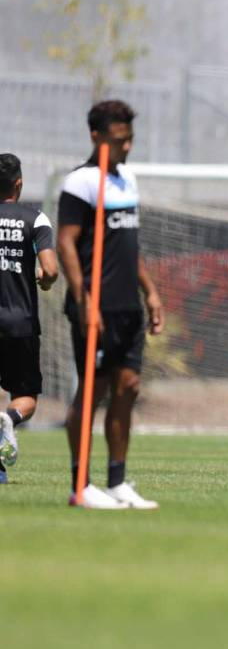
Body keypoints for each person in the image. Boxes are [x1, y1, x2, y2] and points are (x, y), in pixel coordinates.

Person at [58, 99, 163, 510]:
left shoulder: (127, 180)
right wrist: (84, 299)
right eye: (120, 140)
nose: (127, 147)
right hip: (94, 307)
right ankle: (80, 485)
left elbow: (127, 245)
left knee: (128, 387)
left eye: (131, 139)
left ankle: (117, 482)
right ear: (96, 136)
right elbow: (66, 241)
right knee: (92, 391)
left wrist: (150, 291)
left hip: (127, 307)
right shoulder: (81, 182)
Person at [0, 154, 59, 484]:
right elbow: (50, 269)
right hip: (20, 322)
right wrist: (45, 279)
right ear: (18, 184)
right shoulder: (35, 219)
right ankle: (8, 419)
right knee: (26, 399)